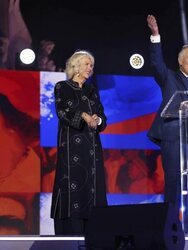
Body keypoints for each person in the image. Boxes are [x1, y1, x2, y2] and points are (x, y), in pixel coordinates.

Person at [146, 14, 188, 234]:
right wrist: (155, 36)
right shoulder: (169, 77)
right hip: (174, 136)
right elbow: (156, 63)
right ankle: (170, 229)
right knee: (174, 184)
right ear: (181, 61)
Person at [50, 50, 107, 235]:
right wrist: (83, 115)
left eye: (91, 65)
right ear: (75, 66)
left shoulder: (92, 91)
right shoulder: (62, 87)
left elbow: (102, 118)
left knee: (93, 190)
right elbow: (62, 112)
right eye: (86, 64)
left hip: (92, 149)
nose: (90, 68)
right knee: (72, 188)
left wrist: (97, 120)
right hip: (71, 149)